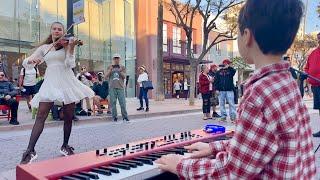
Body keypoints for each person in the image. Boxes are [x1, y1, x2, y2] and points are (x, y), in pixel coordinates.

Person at [156, 0, 316, 179]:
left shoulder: (259, 94)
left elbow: (232, 172)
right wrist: (214, 147)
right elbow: (256, 144)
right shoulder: (287, 83)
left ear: (246, 36)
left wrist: (180, 165)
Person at [20, 22, 95, 164]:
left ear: (62, 32)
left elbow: (70, 65)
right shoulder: (44, 48)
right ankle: (30, 150)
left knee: (68, 116)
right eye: (54, 29)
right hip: (51, 81)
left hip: (67, 81)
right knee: (41, 115)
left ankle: (65, 145)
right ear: (51, 31)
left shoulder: (67, 45)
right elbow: (26, 62)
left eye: (59, 29)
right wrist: (32, 60)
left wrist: (71, 48)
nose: (57, 31)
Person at [305, 32, 320, 137]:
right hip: (315, 86)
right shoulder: (313, 53)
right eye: (318, 38)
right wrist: (306, 74)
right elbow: (307, 67)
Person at [106, 54, 129, 122]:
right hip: (112, 87)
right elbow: (106, 76)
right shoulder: (109, 67)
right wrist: (110, 70)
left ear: (119, 59)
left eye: (117, 58)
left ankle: (125, 117)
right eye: (115, 58)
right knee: (113, 103)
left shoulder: (122, 67)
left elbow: (124, 77)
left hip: (120, 87)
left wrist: (120, 71)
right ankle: (114, 117)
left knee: (122, 103)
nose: (116, 60)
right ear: (113, 59)